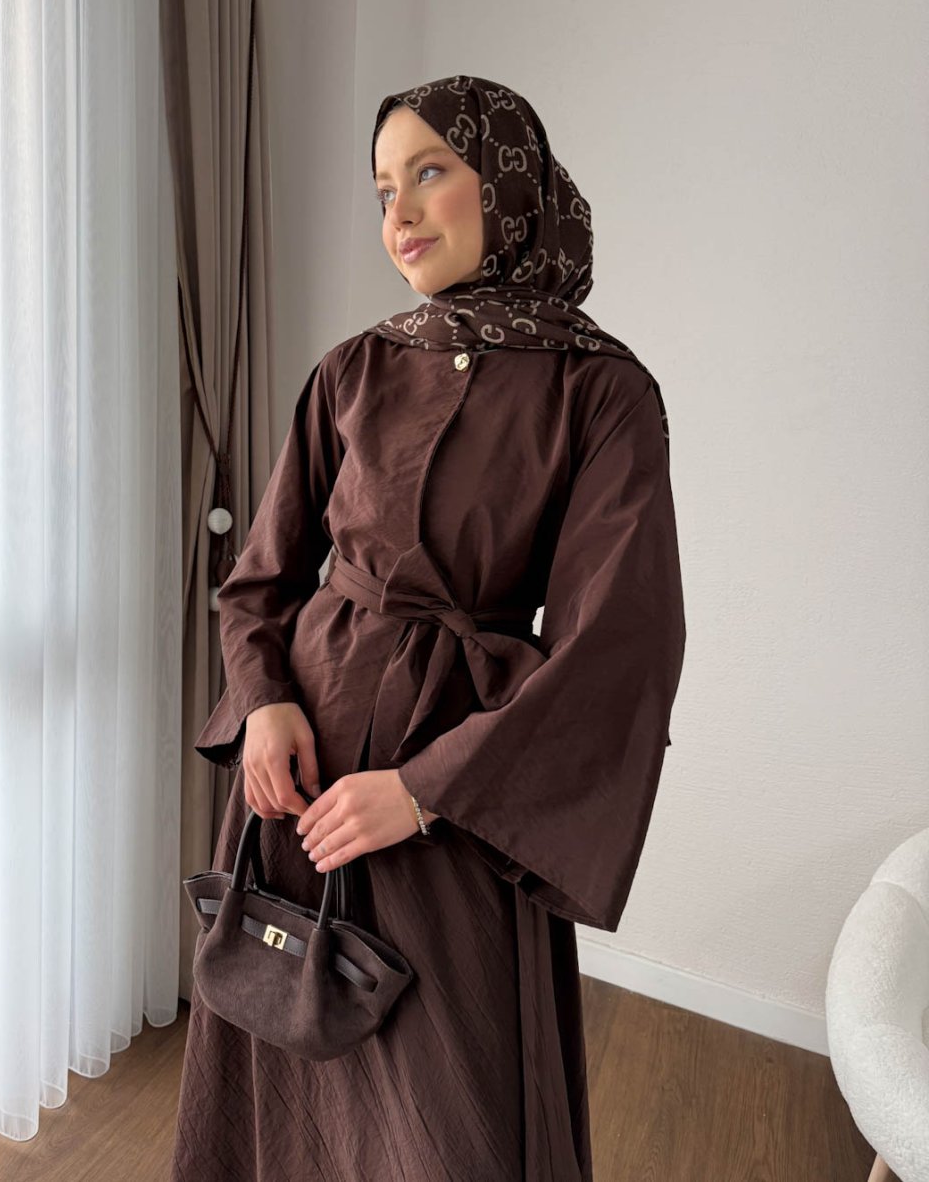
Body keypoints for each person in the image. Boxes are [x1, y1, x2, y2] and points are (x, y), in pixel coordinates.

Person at [169, 73, 686, 1182]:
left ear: (507, 183)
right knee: (275, 1069)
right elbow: (260, 577)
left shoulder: (602, 395)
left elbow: (616, 646)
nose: (398, 213)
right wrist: (263, 703)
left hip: (457, 802)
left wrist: (422, 791)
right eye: (380, 190)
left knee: (449, 1115)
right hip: (299, 781)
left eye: (429, 173)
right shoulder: (352, 369)